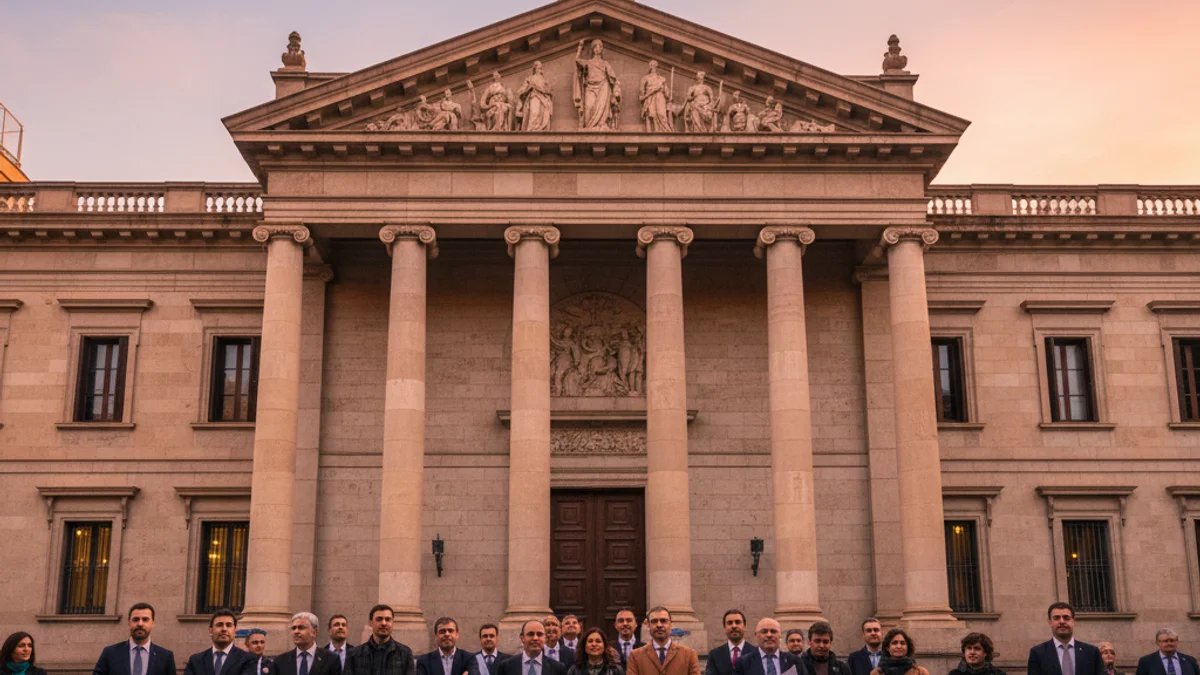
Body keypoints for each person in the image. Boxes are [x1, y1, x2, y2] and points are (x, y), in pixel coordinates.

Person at [93, 603, 177, 675]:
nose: (140, 624)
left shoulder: (165, 657)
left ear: (153, 623)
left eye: (145, 619)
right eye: (135, 619)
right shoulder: (110, 653)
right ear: (129, 622)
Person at [1028, 602, 1104, 675]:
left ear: (1073, 621)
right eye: (1056, 618)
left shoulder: (1091, 652)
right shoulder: (1038, 653)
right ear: (1049, 622)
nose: (1062, 621)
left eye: (1066, 618)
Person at [344, 605, 415, 675]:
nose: (383, 623)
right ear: (371, 623)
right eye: (379, 619)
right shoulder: (354, 654)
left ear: (393, 623)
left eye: (388, 619)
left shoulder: (405, 653)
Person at [627, 607, 699, 675]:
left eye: (663, 621)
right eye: (654, 621)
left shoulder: (689, 655)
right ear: (648, 625)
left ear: (671, 624)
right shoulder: (635, 656)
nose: (659, 625)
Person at [184, 609, 255, 675]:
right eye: (219, 625)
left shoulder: (247, 660)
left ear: (235, 631)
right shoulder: (196, 661)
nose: (224, 629)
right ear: (210, 630)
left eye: (228, 625)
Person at [573, 39, 621, 130]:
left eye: (599, 46)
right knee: (588, 109)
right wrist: (580, 48)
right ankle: (590, 127)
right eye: (595, 47)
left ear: (602, 49)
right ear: (592, 49)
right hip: (590, 87)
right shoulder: (588, 62)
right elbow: (577, 61)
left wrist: (616, 91)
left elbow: (613, 79)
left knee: (602, 110)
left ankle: (602, 125)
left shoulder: (605, 64)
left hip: (603, 86)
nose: (597, 48)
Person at [274, 613, 340, 675]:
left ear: (314, 632)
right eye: (293, 628)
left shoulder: (331, 659)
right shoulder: (281, 661)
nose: (296, 632)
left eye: (301, 628)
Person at [734, 619, 806, 675]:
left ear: (780, 635)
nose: (769, 635)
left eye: (773, 631)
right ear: (756, 635)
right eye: (764, 631)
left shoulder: (794, 661)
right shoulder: (744, 662)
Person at [496, 621, 568, 675]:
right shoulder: (506, 666)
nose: (535, 638)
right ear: (522, 638)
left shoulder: (558, 668)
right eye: (530, 634)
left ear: (545, 638)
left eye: (539, 634)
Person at [706, 610, 756, 675]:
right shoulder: (714, 655)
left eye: (738, 622)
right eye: (730, 623)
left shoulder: (756, 654)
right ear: (725, 627)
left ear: (744, 626)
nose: (734, 626)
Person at [516, 61, 553, 132]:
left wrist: (546, 89)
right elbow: (522, 90)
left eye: (541, 68)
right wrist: (530, 87)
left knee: (542, 115)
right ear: (535, 69)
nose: (540, 70)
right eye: (538, 68)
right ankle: (532, 129)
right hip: (534, 97)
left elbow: (549, 90)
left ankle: (540, 128)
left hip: (544, 100)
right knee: (534, 113)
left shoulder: (544, 80)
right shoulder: (530, 78)